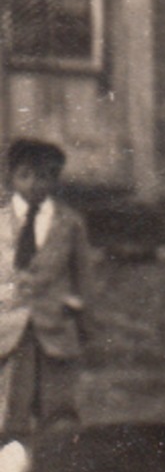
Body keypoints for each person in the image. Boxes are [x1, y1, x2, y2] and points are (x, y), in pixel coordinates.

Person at [0, 138, 93, 444]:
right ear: (11, 177)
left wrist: (83, 325)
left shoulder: (69, 224)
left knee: (58, 415)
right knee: (9, 412)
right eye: (25, 175)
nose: (34, 184)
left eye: (44, 176)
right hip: (7, 332)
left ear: (55, 179)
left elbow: (83, 278)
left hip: (55, 331)